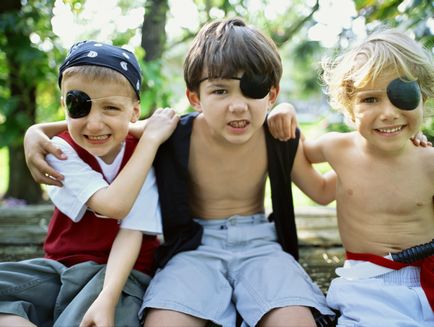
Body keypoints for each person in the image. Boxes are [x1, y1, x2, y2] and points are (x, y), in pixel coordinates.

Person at [24, 18, 336, 326]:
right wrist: (36, 130)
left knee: (293, 320)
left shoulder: (278, 134)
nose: (238, 106)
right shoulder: (176, 131)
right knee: (165, 320)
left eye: (252, 90)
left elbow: (321, 192)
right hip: (193, 245)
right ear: (194, 98)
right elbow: (110, 123)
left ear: (271, 94)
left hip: (261, 246)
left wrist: (363, 156)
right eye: (220, 91)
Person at [0, 41, 178, 327]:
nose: (94, 125)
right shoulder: (59, 150)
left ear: (134, 111)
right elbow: (113, 203)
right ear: (64, 106)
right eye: (78, 106)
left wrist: (150, 138)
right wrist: (36, 130)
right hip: (58, 272)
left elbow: (127, 224)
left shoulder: (144, 153)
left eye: (111, 108)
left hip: (119, 279)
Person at [268, 28, 434, 326]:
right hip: (367, 284)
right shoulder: (339, 148)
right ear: (349, 106)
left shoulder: (429, 162)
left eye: (403, 96)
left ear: (422, 99)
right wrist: (285, 112)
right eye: (370, 100)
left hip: (427, 278)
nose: (388, 113)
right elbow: (317, 187)